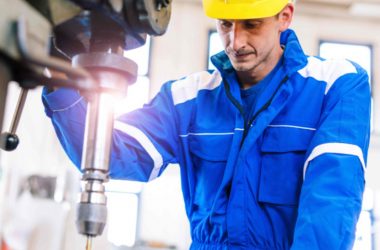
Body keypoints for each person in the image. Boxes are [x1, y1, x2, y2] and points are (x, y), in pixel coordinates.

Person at [42, 0, 371, 249]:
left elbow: (332, 194)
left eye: (251, 25)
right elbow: (111, 154)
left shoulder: (335, 83)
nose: (235, 42)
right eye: (226, 24)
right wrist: (59, 73)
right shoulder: (187, 98)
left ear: (284, 16)